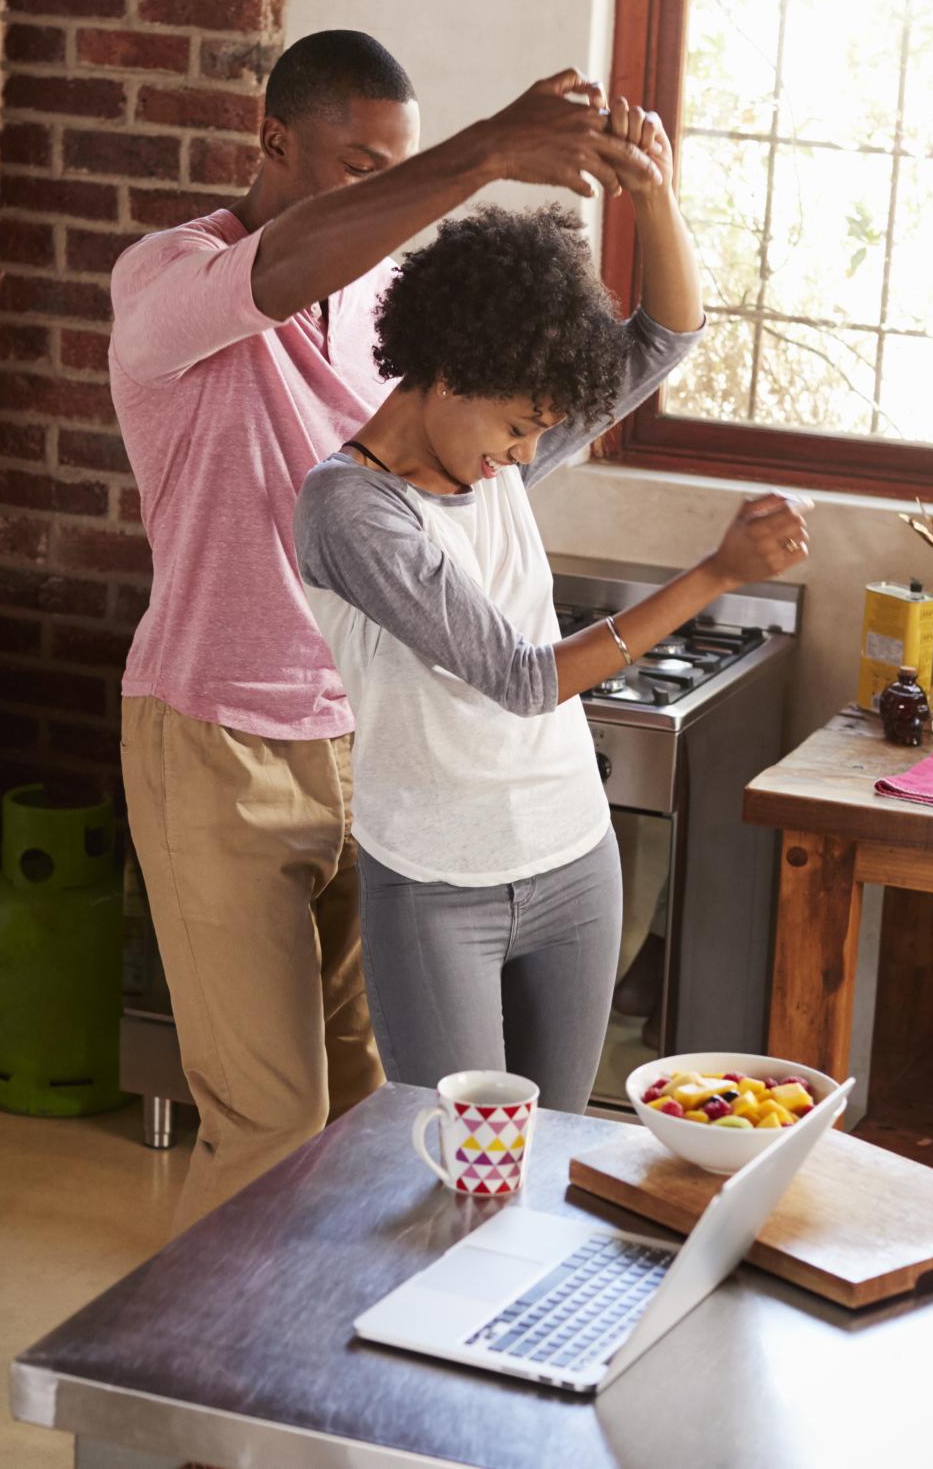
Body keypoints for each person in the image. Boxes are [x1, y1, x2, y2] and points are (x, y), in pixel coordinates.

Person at [109, 29, 658, 1228]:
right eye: (361, 167)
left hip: (371, 743)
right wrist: (491, 150)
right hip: (216, 740)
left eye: (395, 169)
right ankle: (211, 1406)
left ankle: (343, 1393)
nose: (387, 195)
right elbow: (281, 267)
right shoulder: (165, 283)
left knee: (381, 1123)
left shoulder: (378, 315)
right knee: (268, 1125)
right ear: (271, 140)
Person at [290, 98, 810, 1114]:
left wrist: (652, 189)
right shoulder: (349, 511)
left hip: (573, 857)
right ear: (450, 371)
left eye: (541, 431)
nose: (528, 455)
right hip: (438, 885)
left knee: (556, 1155)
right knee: (465, 1178)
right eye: (520, 427)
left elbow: (666, 333)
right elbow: (522, 678)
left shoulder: (491, 456)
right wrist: (713, 573)